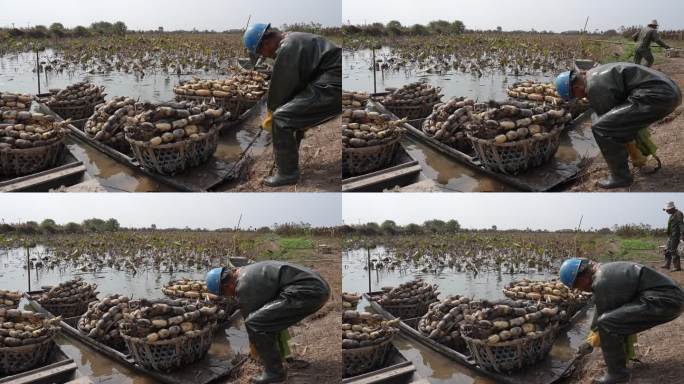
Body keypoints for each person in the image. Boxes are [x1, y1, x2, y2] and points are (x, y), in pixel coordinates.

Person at [243, 22, 341, 187]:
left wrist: (271, 113)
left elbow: (281, 89)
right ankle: (289, 159)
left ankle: (287, 173)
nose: (265, 56)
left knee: (282, 117)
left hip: (332, 86)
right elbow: (295, 86)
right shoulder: (291, 38)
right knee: (293, 111)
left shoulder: (288, 46)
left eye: (261, 52)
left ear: (266, 43)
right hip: (331, 81)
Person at [555, 63, 682, 188]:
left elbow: (608, 126)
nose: (578, 98)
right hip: (666, 91)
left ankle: (620, 177)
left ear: (576, 88)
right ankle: (636, 157)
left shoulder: (595, 87)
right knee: (603, 120)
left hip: (658, 96)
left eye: (574, 96)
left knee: (601, 128)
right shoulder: (593, 75)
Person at [559, 258, 684, 384]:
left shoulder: (603, 281)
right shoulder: (603, 272)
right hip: (667, 296)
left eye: (577, 287)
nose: (580, 290)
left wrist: (591, 343)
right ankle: (621, 364)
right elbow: (601, 309)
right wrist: (591, 336)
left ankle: (617, 375)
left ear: (581, 279)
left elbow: (606, 320)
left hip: (666, 301)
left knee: (608, 324)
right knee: (612, 320)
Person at [206, 262, 330, 384]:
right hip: (316, 286)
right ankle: (283, 357)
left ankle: (274, 372)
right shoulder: (244, 271)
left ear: (226, 286)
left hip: (310, 292)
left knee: (256, 322)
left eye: (225, 294)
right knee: (268, 317)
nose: (229, 296)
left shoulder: (244, 285)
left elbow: (251, 321)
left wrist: (255, 351)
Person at [663, 201, 683, 271]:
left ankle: (677, 267)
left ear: (672, 208)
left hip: (675, 235)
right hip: (670, 236)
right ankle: (667, 264)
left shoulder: (678, 214)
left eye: (667, 210)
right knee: (667, 249)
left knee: (673, 250)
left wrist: (683, 234)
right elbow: (672, 225)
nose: (666, 211)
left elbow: (681, 224)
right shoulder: (672, 215)